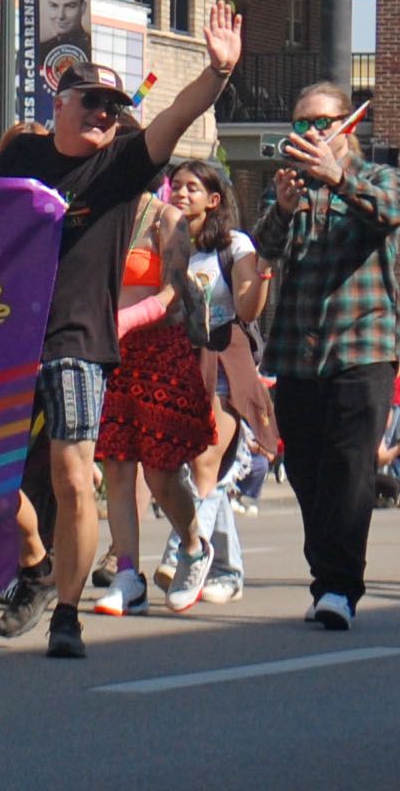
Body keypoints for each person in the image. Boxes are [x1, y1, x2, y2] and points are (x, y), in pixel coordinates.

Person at [0, 0, 241, 660]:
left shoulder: (122, 164)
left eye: (112, 106)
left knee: (74, 479)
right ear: (61, 103)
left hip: (78, 341)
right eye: (91, 102)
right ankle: (37, 564)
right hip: (7, 338)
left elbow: (176, 118)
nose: (103, 114)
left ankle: (66, 613)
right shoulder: (22, 158)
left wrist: (217, 73)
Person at [255, 81, 400, 632]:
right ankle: (327, 574)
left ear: (348, 124)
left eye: (321, 123)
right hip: (299, 350)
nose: (311, 133)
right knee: (305, 470)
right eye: (302, 125)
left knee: (350, 468)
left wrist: (338, 179)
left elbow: (389, 214)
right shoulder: (290, 188)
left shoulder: (379, 178)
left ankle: (339, 585)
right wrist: (283, 208)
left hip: (362, 346)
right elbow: (264, 248)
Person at [149, 157, 273, 606]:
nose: (180, 193)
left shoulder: (235, 244)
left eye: (191, 188)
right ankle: (228, 569)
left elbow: (247, 307)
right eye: (175, 186)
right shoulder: (164, 240)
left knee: (206, 460)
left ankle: (183, 551)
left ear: (214, 199)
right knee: (202, 472)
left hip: (224, 360)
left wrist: (261, 277)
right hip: (179, 363)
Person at [91, 196, 220, 617]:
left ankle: (195, 545)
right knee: (117, 468)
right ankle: (128, 575)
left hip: (160, 352)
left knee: (161, 473)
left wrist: (131, 317)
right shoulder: (98, 214)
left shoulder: (167, 220)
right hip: (113, 354)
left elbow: (172, 290)